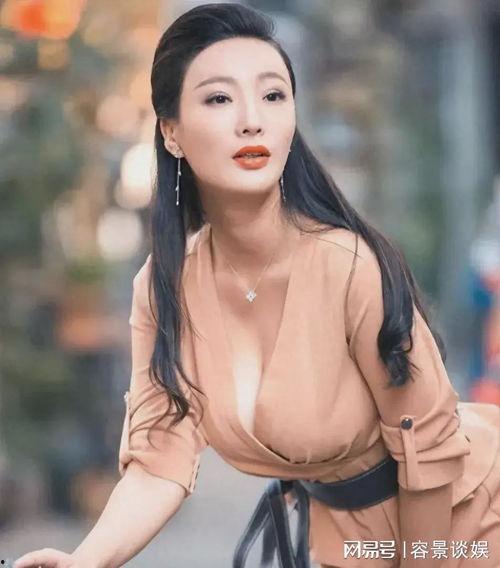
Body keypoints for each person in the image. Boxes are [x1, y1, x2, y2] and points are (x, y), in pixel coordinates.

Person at [14, 3, 500, 567]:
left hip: (466, 518)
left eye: (273, 95)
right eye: (220, 98)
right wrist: (84, 560)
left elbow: (430, 456)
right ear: (171, 131)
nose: (252, 120)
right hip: (347, 538)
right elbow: (159, 461)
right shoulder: (165, 288)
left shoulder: (347, 265)